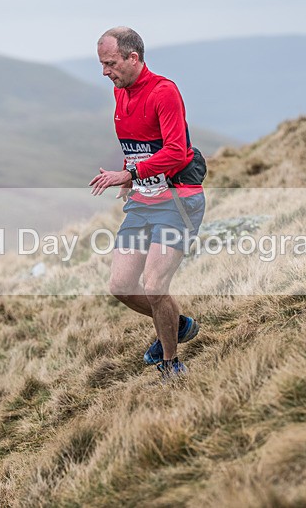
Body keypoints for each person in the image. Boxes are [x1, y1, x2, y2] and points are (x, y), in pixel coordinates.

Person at [88, 27, 206, 380]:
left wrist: (130, 174)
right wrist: (130, 175)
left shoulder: (163, 92)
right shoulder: (120, 92)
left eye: (110, 64)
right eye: (102, 65)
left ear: (133, 58)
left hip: (177, 199)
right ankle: (177, 324)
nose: (106, 72)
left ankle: (171, 363)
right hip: (143, 200)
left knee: (155, 286)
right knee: (121, 286)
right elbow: (137, 145)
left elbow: (176, 152)